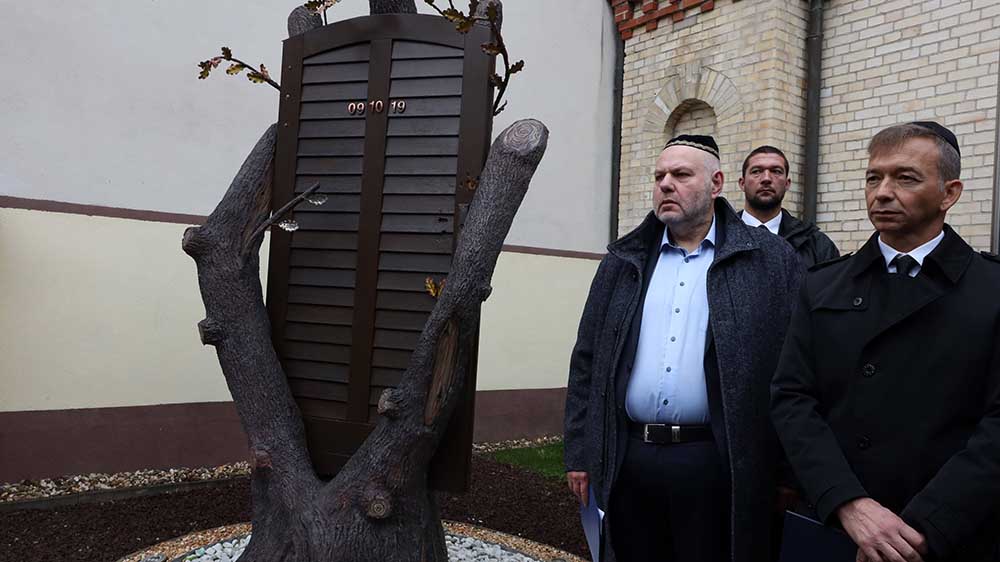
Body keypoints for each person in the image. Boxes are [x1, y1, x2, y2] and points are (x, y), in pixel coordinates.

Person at [564, 134, 802, 562]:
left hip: (715, 462)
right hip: (629, 458)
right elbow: (587, 360)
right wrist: (580, 452)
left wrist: (786, 471)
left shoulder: (770, 259)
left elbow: (793, 368)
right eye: (659, 176)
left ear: (716, 183)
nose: (666, 184)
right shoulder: (623, 262)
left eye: (680, 175)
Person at [771, 121, 1000, 562]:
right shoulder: (822, 285)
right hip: (837, 528)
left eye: (906, 177)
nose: (882, 192)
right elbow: (792, 399)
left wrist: (922, 527)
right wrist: (848, 504)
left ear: (949, 193)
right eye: (874, 177)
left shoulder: (990, 290)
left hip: (947, 534)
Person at [738, 145, 839, 267]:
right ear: (742, 183)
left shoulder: (817, 245)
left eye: (776, 171)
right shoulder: (719, 236)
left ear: (787, 184)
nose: (766, 179)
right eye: (756, 171)